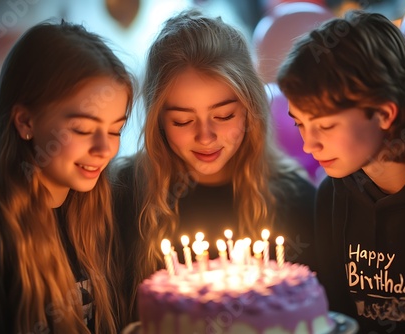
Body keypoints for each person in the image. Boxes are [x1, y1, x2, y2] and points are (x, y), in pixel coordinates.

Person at [111, 8, 316, 324]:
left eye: (224, 116)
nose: (205, 137)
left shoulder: (295, 199)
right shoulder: (121, 194)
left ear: (250, 110)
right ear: (158, 120)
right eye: (183, 120)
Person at [277, 10, 405, 333]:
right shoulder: (331, 197)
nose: (309, 145)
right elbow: (339, 319)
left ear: (384, 113)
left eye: (324, 125)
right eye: (300, 123)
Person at [0, 20, 136, 334]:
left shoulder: (106, 209)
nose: (104, 149)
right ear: (25, 121)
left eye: (116, 130)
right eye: (82, 129)